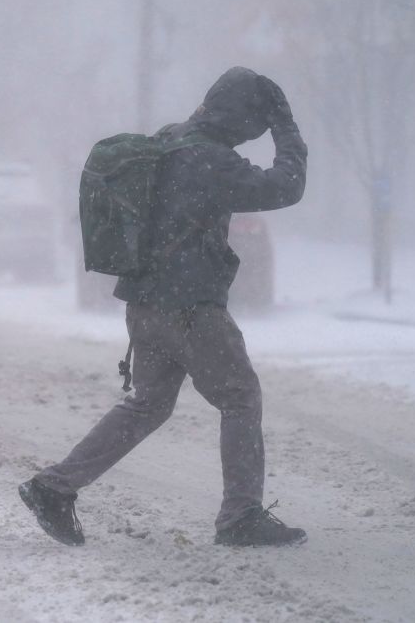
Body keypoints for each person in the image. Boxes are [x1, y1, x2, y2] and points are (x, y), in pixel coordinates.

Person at [19, 66, 309, 547]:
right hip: (191, 307)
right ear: (244, 120)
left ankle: (53, 487)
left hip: (146, 305)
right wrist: (286, 127)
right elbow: (286, 186)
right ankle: (241, 517)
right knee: (240, 397)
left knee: (147, 406)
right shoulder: (209, 159)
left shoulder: (169, 141)